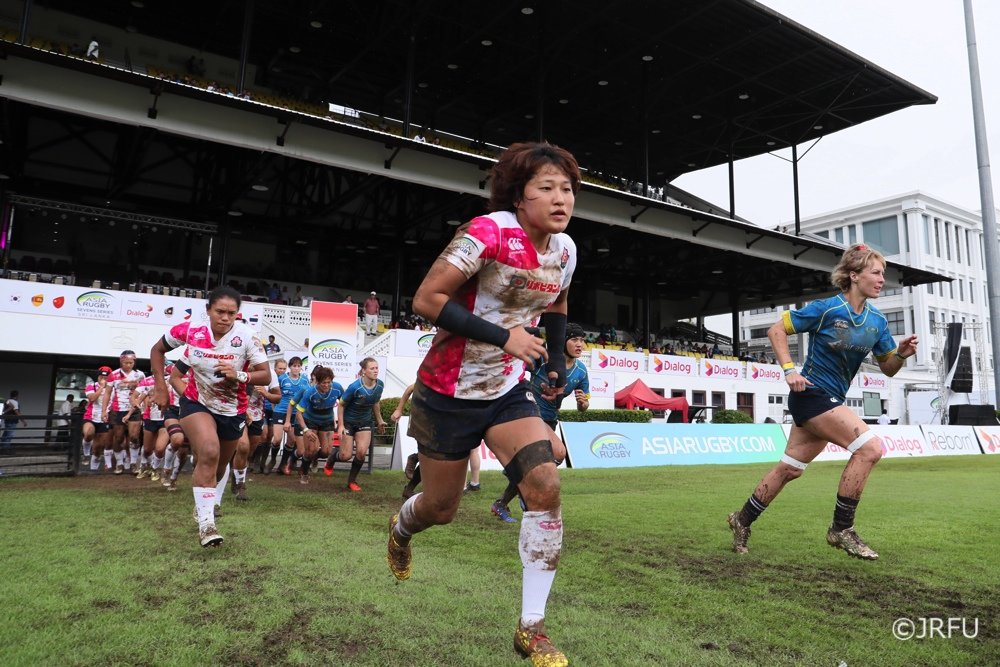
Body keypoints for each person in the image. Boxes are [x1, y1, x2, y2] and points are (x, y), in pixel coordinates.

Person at [386, 141, 580, 666]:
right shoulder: (487, 232)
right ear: (519, 196)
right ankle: (401, 530)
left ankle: (531, 628)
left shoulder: (566, 251)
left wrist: (556, 359)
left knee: (545, 487)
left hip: (507, 391)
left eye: (567, 189)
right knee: (440, 509)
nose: (561, 199)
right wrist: (504, 336)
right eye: (547, 188)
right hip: (447, 393)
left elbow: (558, 301)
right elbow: (427, 300)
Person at [727, 244, 918, 561]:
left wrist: (900, 354)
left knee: (790, 469)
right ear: (854, 276)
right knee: (870, 449)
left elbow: (888, 369)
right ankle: (841, 529)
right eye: (876, 272)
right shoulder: (827, 309)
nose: (882, 279)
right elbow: (777, 329)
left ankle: (741, 519)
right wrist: (789, 370)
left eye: (883, 273)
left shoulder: (877, 322)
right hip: (811, 396)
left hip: (829, 400)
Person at [150, 286, 270, 548]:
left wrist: (238, 375)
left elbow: (266, 375)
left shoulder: (248, 337)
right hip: (196, 402)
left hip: (232, 409)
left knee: (218, 466)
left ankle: (202, 501)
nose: (225, 318)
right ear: (208, 311)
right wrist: (161, 385)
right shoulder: (190, 331)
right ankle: (207, 525)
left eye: (231, 313)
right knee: (208, 449)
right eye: (220, 312)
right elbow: (157, 350)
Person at [490, 323, 589, 524]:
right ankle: (516, 490)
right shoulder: (546, 359)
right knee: (555, 454)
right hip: (529, 415)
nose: (580, 344)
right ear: (562, 342)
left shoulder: (581, 371)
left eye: (582, 340)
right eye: (574, 339)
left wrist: (583, 403)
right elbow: (518, 372)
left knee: (538, 465)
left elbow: (584, 406)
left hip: (550, 420)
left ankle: (507, 496)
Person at [336, 357, 386, 491]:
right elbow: (341, 406)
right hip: (348, 422)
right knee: (345, 456)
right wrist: (340, 425)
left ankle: (352, 481)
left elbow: (375, 402)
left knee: (361, 453)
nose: (375, 371)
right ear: (364, 371)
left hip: (365, 421)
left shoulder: (380, 385)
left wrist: (380, 420)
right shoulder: (355, 387)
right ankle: (332, 458)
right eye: (372, 368)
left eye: (376, 368)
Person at [291, 365, 343, 484]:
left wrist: (341, 423)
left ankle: (313, 459)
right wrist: (306, 430)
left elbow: (343, 404)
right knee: (310, 450)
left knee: (326, 451)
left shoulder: (338, 388)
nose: (326, 385)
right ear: (317, 382)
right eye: (323, 383)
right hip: (310, 421)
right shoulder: (310, 392)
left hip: (327, 421)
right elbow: (298, 414)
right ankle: (304, 473)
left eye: (328, 382)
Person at [104, 350, 145, 474]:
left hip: (134, 409)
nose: (128, 365)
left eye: (131, 362)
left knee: (134, 436)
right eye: (126, 362)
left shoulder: (140, 375)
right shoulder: (113, 375)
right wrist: (104, 411)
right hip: (117, 409)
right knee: (118, 438)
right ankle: (120, 464)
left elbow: (145, 391)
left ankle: (133, 463)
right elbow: (107, 393)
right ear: (121, 361)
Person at [82, 367, 112, 469]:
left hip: (104, 418)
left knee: (98, 447)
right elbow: (92, 398)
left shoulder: (113, 389)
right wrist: (101, 387)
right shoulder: (91, 386)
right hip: (91, 417)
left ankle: (93, 469)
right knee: (88, 432)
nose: (103, 379)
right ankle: (86, 453)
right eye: (101, 377)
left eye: (106, 377)